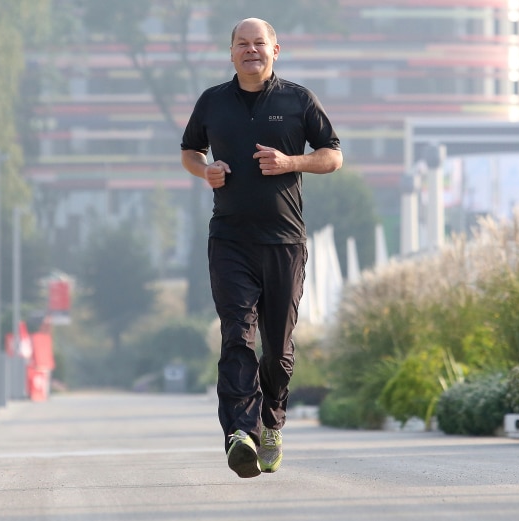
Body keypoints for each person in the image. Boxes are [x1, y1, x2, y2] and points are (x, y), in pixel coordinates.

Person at [180, 17, 342, 478]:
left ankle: (271, 422)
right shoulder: (212, 101)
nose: (251, 50)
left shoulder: (298, 100)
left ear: (275, 50)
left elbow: (333, 154)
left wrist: (291, 161)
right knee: (236, 335)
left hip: (285, 242)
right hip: (229, 239)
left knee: (279, 350)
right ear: (230, 52)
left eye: (259, 43)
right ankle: (240, 433)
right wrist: (203, 170)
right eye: (242, 44)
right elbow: (190, 151)